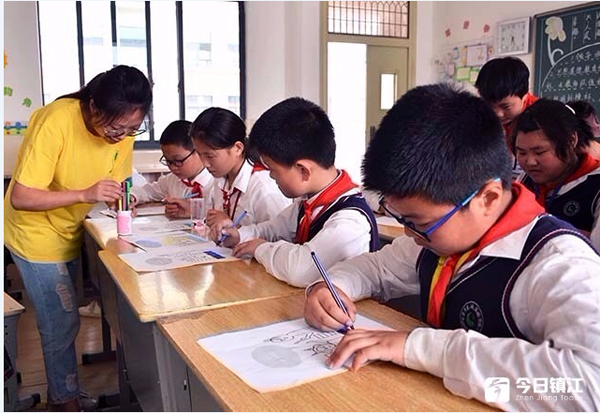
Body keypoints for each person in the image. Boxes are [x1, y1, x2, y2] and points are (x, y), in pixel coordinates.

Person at [303, 84, 600, 411]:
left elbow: (588, 388)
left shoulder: (560, 265)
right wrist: (332, 287)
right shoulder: (436, 240)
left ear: (487, 199)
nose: (409, 233)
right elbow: (375, 268)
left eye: (418, 221)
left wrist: (429, 349)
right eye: (401, 218)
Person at [4, 65, 152, 411]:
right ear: (94, 106)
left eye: (133, 128)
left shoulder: (123, 130)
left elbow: (120, 180)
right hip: (34, 233)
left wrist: (122, 197)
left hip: (70, 229)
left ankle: (64, 390)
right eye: (115, 127)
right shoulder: (56, 120)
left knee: (66, 318)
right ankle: (64, 401)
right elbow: (21, 197)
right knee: (60, 321)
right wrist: (86, 193)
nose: (122, 135)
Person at [215, 97, 379, 287]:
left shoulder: (350, 221)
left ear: (303, 171)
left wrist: (261, 248)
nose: (271, 176)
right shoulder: (308, 202)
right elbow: (273, 229)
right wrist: (240, 235)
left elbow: (301, 269)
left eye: (272, 169)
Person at [512, 99, 600, 251]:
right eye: (522, 152)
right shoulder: (525, 182)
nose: (530, 162)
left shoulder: (595, 187)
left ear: (571, 140)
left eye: (540, 152)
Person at [185, 107, 290, 231]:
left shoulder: (264, 188)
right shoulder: (220, 180)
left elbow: (281, 236)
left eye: (210, 156)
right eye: (199, 154)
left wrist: (233, 227)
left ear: (238, 148)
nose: (205, 163)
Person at [130, 120, 212, 218]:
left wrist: (196, 211)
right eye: (168, 161)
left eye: (178, 161)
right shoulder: (172, 180)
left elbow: (225, 215)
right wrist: (132, 197)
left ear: (198, 151)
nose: (172, 167)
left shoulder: (217, 183)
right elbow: (147, 191)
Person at [475, 57, 538, 179]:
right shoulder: (480, 115)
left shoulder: (542, 119)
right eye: (490, 106)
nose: (498, 114)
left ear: (524, 96)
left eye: (506, 106)